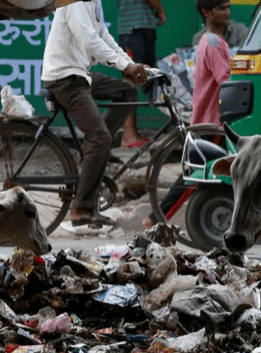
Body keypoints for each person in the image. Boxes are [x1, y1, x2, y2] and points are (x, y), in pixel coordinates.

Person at [42, 0, 148, 226]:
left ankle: (97, 148)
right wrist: (124, 65)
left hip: (81, 74)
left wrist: (129, 63)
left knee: (128, 91)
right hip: (65, 78)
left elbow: (103, 36)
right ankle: (80, 208)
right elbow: (88, 39)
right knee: (100, 138)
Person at [144, 0, 233, 228]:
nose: (227, 12)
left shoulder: (212, 41)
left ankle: (155, 219)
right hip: (212, 120)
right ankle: (156, 220)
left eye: (228, 7)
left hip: (209, 119)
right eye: (221, 8)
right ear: (206, 13)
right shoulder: (213, 43)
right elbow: (227, 81)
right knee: (192, 176)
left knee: (199, 174)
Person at [117, 0, 167, 148]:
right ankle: (128, 135)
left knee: (138, 78)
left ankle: (132, 133)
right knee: (130, 79)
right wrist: (160, 11)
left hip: (141, 26)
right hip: (133, 28)